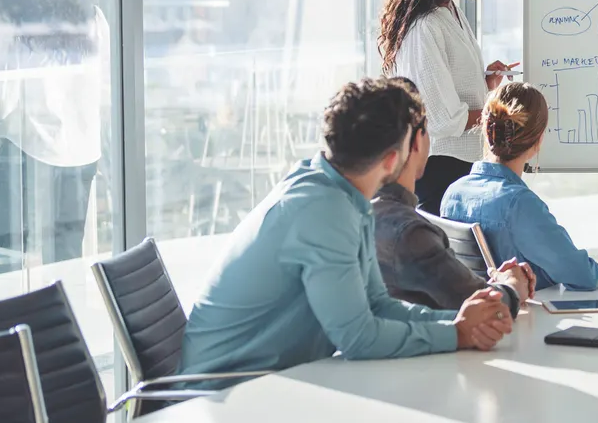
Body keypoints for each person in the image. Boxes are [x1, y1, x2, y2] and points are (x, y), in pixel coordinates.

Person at [176, 78, 514, 386]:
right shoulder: (325, 212)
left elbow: (377, 305)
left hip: (265, 384)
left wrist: (462, 322)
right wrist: (456, 334)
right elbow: (359, 338)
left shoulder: (338, 194)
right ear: (391, 160)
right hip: (223, 396)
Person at [0, 0, 104, 276]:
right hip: (82, 154)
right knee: (64, 258)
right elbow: (107, 90)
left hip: (30, 152)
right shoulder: (96, 20)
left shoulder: (22, 28)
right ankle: (60, 326)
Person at [378, 0, 515, 216]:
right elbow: (442, 119)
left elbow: (445, 89)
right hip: (443, 172)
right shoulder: (425, 26)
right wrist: (502, 115)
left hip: (461, 166)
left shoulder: (449, 10)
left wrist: (483, 84)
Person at [373, 79, 536, 314]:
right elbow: (488, 307)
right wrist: (512, 283)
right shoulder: (410, 232)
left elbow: (458, 295)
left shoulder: (365, 213)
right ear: (418, 140)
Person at [441, 83, 598, 291]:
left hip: (478, 315)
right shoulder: (520, 204)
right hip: (525, 316)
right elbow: (583, 276)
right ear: (538, 140)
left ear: (487, 129)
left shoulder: (453, 193)